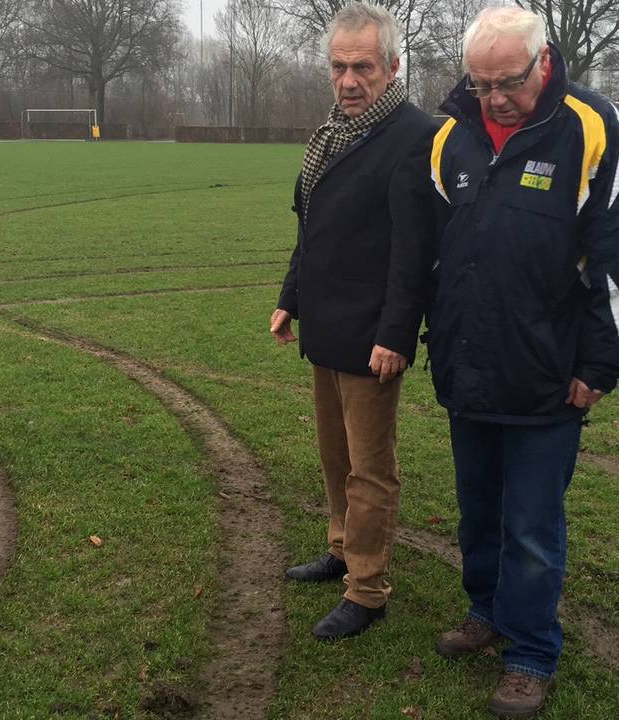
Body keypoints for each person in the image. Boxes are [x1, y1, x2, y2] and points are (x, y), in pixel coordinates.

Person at [424, 6, 619, 716]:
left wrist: (599, 366)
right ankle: (486, 612)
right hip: (470, 369)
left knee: (530, 522)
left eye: (510, 82)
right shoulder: (451, 138)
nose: (495, 97)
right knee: (478, 510)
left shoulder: (593, 127)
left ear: (544, 62)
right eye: (482, 82)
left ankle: (529, 652)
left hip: (550, 374)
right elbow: (438, 254)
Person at [269, 1, 437, 640]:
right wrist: (292, 296)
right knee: (333, 454)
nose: (348, 80)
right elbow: (313, 228)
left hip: (373, 336)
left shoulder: (415, 135)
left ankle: (367, 589)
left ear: (392, 66)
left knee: (370, 466)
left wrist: (396, 333)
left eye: (362, 66)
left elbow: (413, 250)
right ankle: (341, 548)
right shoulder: (332, 134)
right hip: (327, 324)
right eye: (338, 67)